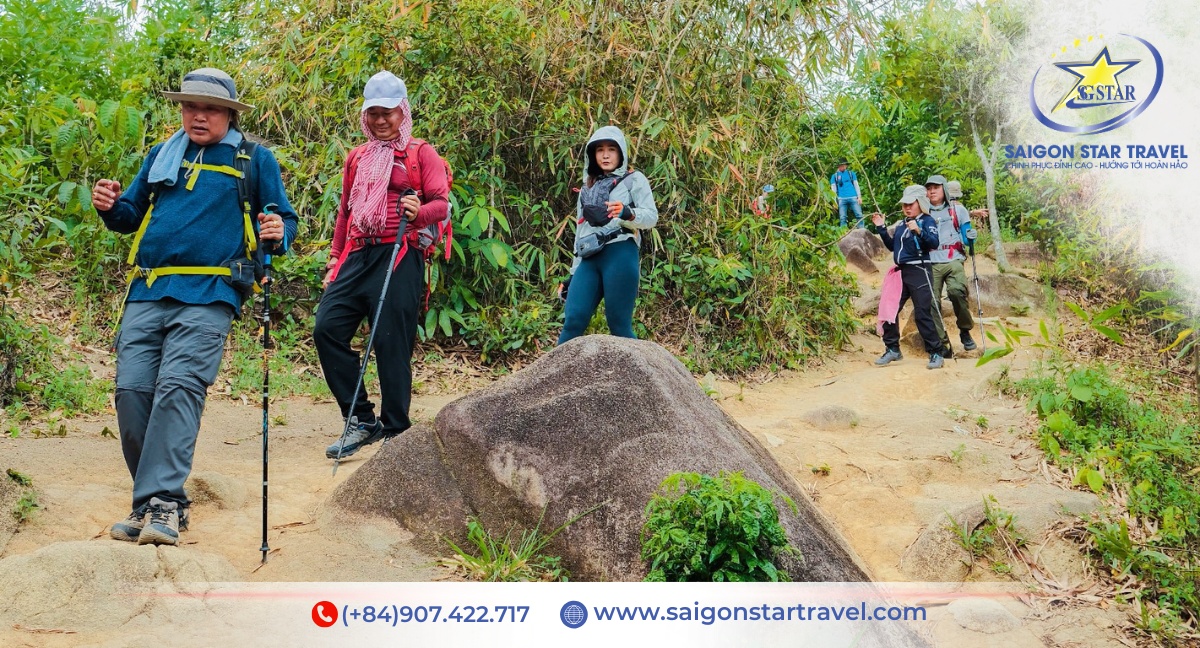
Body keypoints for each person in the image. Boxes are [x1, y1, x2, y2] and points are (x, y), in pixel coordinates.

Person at [92, 67, 298, 545]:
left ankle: (162, 503)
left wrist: (277, 233)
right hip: (148, 290)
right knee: (132, 392)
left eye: (208, 108)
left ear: (229, 113)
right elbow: (129, 216)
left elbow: (282, 219)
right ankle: (155, 502)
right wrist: (109, 207)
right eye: (189, 106)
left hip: (211, 293)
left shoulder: (253, 158)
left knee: (179, 388)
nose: (197, 115)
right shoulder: (162, 155)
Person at [315, 71, 449, 459]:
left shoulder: (421, 153)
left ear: (402, 112)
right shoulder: (357, 157)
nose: (380, 120)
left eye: (388, 112)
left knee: (391, 343)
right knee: (327, 327)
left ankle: (396, 429)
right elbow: (346, 211)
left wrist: (418, 211)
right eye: (373, 112)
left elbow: (442, 203)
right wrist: (335, 258)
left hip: (400, 250)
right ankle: (360, 419)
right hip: (359, 253)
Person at [557, 125, 658, 344]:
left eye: (611, 149)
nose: (605, 154)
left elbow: (651, 217)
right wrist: (573, 276)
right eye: (599, 149)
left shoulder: (634, 180)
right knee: (573, 320)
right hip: (590, 257)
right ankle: (548, 378)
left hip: (620, 253)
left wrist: (627, 213)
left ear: (621, 152)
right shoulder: (587, 187)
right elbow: (581, 233)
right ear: (592, 154)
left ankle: (642, 377)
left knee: (619, 325)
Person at [871, 185, 945, 370]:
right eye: (904, 204)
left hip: (919, 270)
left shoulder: (927, 221)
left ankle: (936, 352)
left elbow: (933, 243)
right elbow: (892, 246)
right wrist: (881, 227)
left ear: (920, 203)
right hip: (900, 272)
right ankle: (892, 348)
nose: (906, 207)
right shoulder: (902, 223)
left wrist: (918, 230)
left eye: (910, 204)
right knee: (890, 310)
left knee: (922, 313)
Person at [924, 175, 977, 355]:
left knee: (957, 291)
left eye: (936, 187)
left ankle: (965, 330)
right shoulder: (923, 211)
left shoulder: (958, 210)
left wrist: (970, 239)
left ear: (944, 189)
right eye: (929, 188)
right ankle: (942, 343)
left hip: (954, 258)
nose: (932, 191)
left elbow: (966, 239)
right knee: (931, 301)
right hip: (931, 260)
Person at [830, 161, 864, 229]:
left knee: (859, 215)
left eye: (843, 165)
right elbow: (833, 190)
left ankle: (861, 230)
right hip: (841, 199)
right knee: (842, 217)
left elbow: (856, 185)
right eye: (840, 165)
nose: (842, 167)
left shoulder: (851, 174)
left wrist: (859, 197)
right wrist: (834, 202)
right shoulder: (834, 176)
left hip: (853, 197)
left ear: (846, 166)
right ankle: (843, 233)